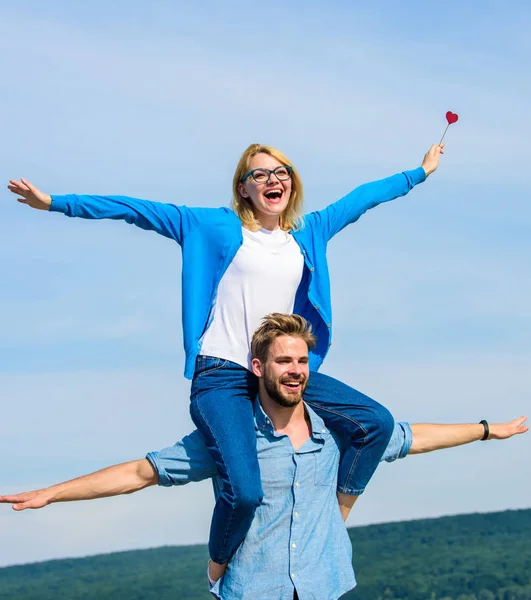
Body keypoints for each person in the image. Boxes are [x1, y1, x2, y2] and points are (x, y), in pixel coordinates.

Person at [7, 141, 445, 578]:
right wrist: (55, 203)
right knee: (245, 492)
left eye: (282, 172)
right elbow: (135, 209)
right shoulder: (210, 225)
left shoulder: (308, 232)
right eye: (261, 174)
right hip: (223, 375)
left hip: (280, 373)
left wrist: (419, 173)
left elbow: (364, 198)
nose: (274, 180)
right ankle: (219, 566)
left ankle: (335, 513)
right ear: (243, 188)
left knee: (375, 423)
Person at [0, 314, 527, 600]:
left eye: (302, 361)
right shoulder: (230, 440)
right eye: (283, 361)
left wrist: (487, 430)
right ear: (257, 366)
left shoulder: (338, 432)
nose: (295, 370)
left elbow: (414, 437)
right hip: (252, 589)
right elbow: (142, 472)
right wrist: (53, 492)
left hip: (325, 587)